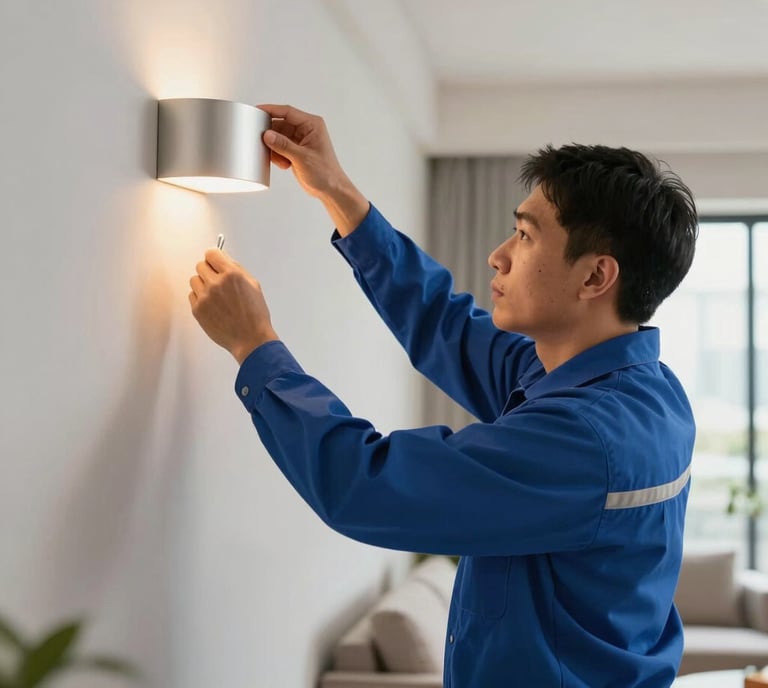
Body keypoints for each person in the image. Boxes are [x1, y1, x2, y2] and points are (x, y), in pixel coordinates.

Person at [188, 104, 698, 688]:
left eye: (527, 236)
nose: (499, 254)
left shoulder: (586, 438)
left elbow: (367, 486)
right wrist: (338, 193)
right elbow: (445, 326)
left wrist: (254, 345)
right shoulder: (631, 386)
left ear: (594, 278)